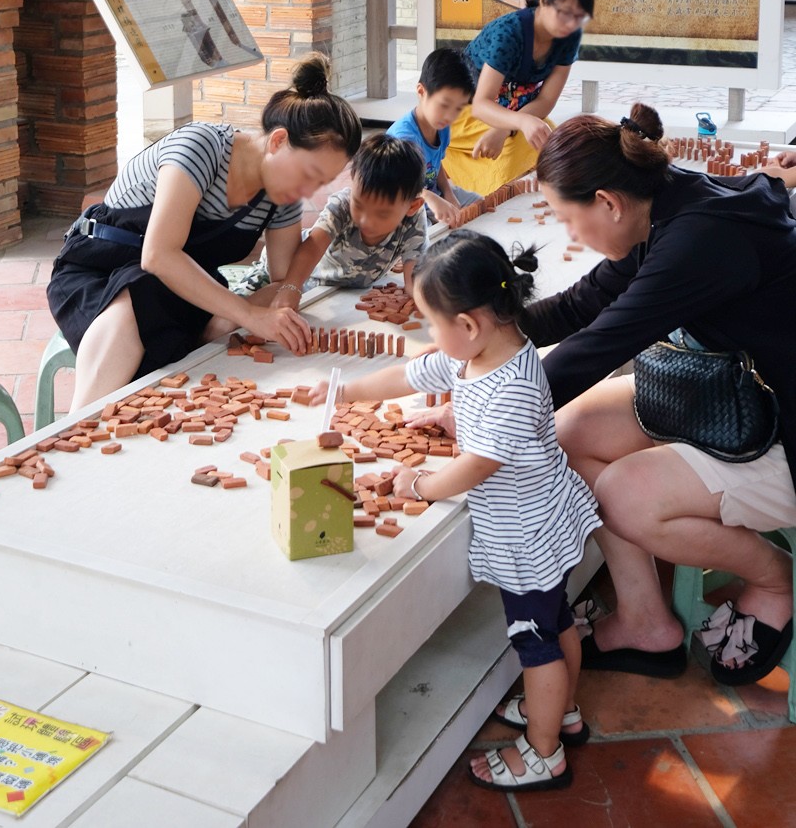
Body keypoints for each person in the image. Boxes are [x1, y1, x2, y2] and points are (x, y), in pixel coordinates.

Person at [311, 233, 600, 793]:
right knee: (558, 618)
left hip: (526, 535)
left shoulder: (511, 387)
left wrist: (418, 482)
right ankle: (563, 710)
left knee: (534, 639)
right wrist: (346, 392)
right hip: (542, 517)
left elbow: (472, 470)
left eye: (429, 322)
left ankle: (545, 753)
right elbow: (409, 376)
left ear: (468, 325)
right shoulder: (485, 353)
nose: (427, 336)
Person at [528, 103, 796, 687]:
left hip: (782, 427)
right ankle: (645, 624)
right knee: (571, 435)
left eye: (566, 219)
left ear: (607, 202)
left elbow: (602, 343)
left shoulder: (700, 238)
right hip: (735, 396)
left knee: (624, 493)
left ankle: (776, 577)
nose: (569, 234)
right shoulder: (665, 204)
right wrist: (477, 336)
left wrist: (489, 406)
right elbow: (578, 308)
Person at [47, 54, 361, 407]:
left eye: (320, 183)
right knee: (143, 290)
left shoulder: (279, 196)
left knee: (245, 312)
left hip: (178, 290)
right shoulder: (201, 147)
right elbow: (158, 256)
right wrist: (248, 315)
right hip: (98, 274)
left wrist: (287, 292)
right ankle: (79, 424)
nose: (308, 192)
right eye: (308, 174)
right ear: (278, 141)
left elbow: (281, 281)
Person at [444, 0, 596, 196]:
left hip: (510, 113)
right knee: (514, 149)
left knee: (554, 139)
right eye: (564, 13)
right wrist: (517, 125)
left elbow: (546, 100)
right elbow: (481, 104)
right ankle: (453, 166)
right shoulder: (510, 33)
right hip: (464, 110)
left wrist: (505, 128)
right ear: (544, 0)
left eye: (579, 17)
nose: (571, 24)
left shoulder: (570, 36)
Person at [272, 133, 427, 302]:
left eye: (382, 214)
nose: (365, 220)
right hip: (296, 275)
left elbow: (415, 271)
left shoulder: (414, 219)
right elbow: (313, 246)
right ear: (352, 183)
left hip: (341, 291)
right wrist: (291, 287)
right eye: (359, 205)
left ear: (412, 207)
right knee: (263, 299)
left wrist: (423, 299)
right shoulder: (342, 206)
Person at [387, 48, 475, 226]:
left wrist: (448, 193)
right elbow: (399, 187)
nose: (450, 116)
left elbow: (436, 164)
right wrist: (430, 198)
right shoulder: (404, 138)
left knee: (477, 204)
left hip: (432, 193)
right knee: (424, 232)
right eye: (444, 105)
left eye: (458, 109)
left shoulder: (441, 126)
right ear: (421, 92)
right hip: (406, 202)